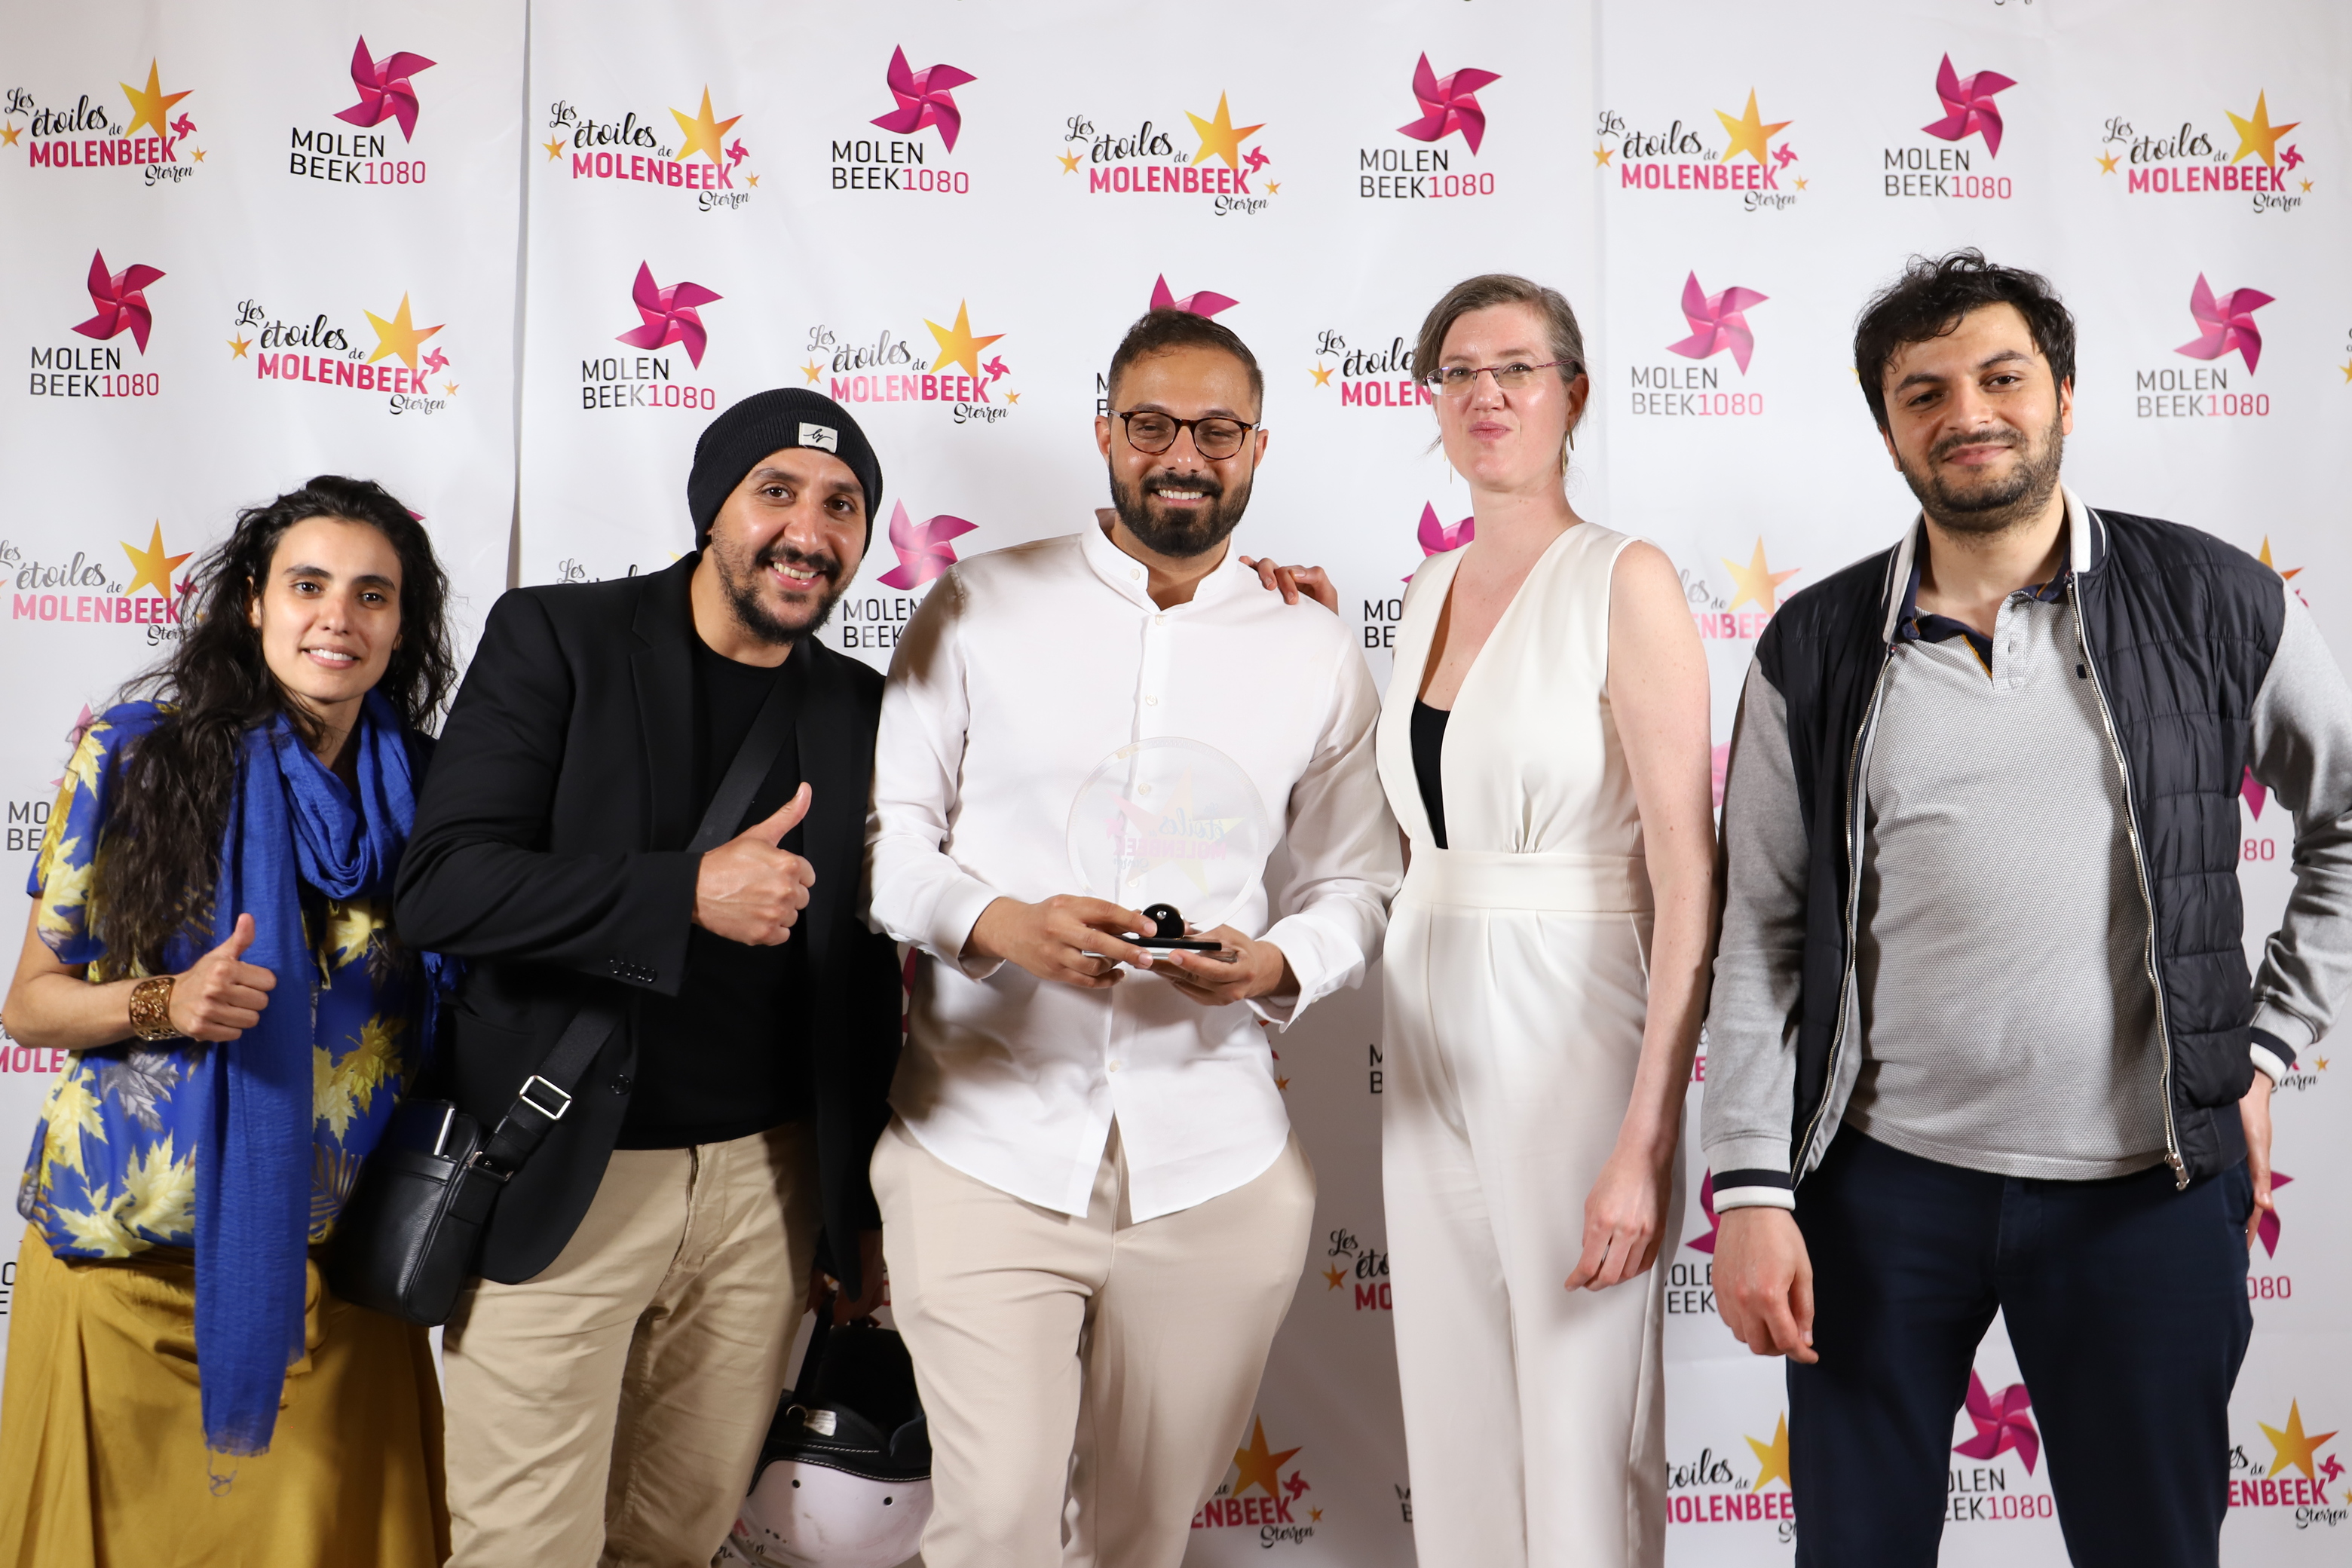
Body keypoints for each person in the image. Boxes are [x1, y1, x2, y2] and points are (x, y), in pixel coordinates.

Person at [1704, 250, 2352, 1567]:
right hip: (1877, 1194)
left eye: (2002, 377)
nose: (1969, 413)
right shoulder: (1815, 646)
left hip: (2148, 1193)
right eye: (1925, 392)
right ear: (1888, 429)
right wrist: (1751, 1189)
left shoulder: (2218, 601)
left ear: (2063, 392)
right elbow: (1762, 932)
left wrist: (2264, 1047)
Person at [865, 306, 1399, 1568]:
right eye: (1152, 424)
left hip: (1216, 1164)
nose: (1183, 455)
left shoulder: (1314, 646)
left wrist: (1277, 963)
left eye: (1217, 430)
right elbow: (888, 842)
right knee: (995, 1529)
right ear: (1105, 433)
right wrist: (999, 924)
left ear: (1258, 448)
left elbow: (1359, 881)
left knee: (1140, 1540)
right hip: (980, 1146)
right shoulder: (976, 603)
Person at [393, 390, 905, 1568]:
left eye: (842, 506)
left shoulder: (859, 704)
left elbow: (862, 974)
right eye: (776, 492)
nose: (809, 530)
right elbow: (445, 886)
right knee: (522, 1546)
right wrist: (684, 892)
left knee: (674, 1540)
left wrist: (854, 1210)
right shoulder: (558, 637)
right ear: (711, 508)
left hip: (767, 1191)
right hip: (564, 1170)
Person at [0, 476, 458, 1566]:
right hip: (125, 1273)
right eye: (308, 586)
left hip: (335, 1285)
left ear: (402, 625)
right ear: (254, 602)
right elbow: (30, 1002)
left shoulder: (435, 796)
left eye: (372, 595)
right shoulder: (137, 757)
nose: (337, 618)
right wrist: (166, 1002)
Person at [1366, 274, 1714, 1568]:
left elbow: (1687, 873)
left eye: (1517, 367)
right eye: (1459, 371)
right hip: (1427, 1004)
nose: (1488, 395)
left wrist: (1645, 1135)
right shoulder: (1426, 585)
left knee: (1580, 1416)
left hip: (1571, 1003)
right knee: (1453, 1402)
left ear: (1573, 392)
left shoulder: (1626, 579)